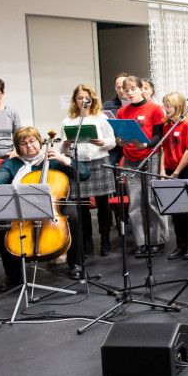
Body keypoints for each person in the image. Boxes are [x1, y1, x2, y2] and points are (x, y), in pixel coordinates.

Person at [0, 127, 90, 291]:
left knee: (73, 214)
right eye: (23, 143)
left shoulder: (53, 159)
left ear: (39, 142)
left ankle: (76, 264)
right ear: (18, 147)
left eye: (32, 141)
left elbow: (84, 174)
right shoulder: (11, 163)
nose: (29, 146)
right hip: (23, 206)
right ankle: (13, 275)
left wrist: (64, 159)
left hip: (54, 204)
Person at [59, 84, 117, 257]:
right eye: (80, 98)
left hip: (100, 162)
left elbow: (112, 141)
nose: (84, 101)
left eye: (87, 98)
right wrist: (65, 145)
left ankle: (105, 239)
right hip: (79, 164)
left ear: (92, 99)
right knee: (82, 206)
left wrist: (103, 142)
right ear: (75, 101)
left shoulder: (101, 118)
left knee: (103, 205)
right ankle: (87, 242)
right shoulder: (68, 121)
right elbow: (63, 150)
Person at [115, 76, 167, 257]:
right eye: (126, 90)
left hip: (150, 156)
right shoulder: (122, 112)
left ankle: (157, 240)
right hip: (130, 158)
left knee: (151, 200)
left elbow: (158, 136)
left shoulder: (155, 109)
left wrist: (146, 145)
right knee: (135, 201)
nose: (129, 93)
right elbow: (120, 136)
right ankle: (141, 241)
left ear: (140, 89)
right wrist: (120, 142)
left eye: (133, 89)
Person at [160, 92, 188, 261]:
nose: (166, 109)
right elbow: (163, 149)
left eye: (169, 106)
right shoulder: (166, 124)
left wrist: (176, 171)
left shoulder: (187, 124)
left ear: (178, 106)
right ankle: (180, 244)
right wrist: (162, 171)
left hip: (185, 169)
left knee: (186, 209)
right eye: (165, 105)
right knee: (175, 210)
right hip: (170, 170)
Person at [102, 72, 130, 166]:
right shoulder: (107, 106)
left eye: (124, 87)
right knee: (109, 166)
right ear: (115, 89)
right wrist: (117, 141)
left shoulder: (138, 105)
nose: (121, 90)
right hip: (115, 147)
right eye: (118, 87)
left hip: (135, 146)